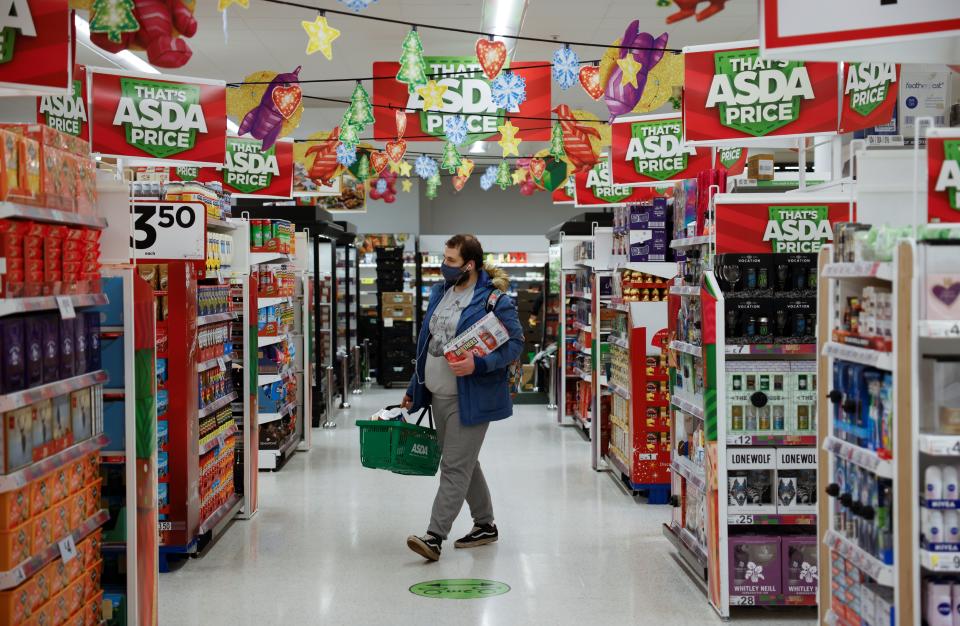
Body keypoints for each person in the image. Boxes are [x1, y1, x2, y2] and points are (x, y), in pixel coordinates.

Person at [402, 234, 524, 561]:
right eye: (444, 258)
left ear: (469, 265)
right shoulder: (440, 292)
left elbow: (514, 345)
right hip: (437, 394)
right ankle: (485, 524)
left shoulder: (494, 300)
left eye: (451, 261)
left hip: (471, 396)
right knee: (465, 461)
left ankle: (434, 537)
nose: (444, 265)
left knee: (454, 466)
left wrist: (479, 363)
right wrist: (416, 388)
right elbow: (427, 342)